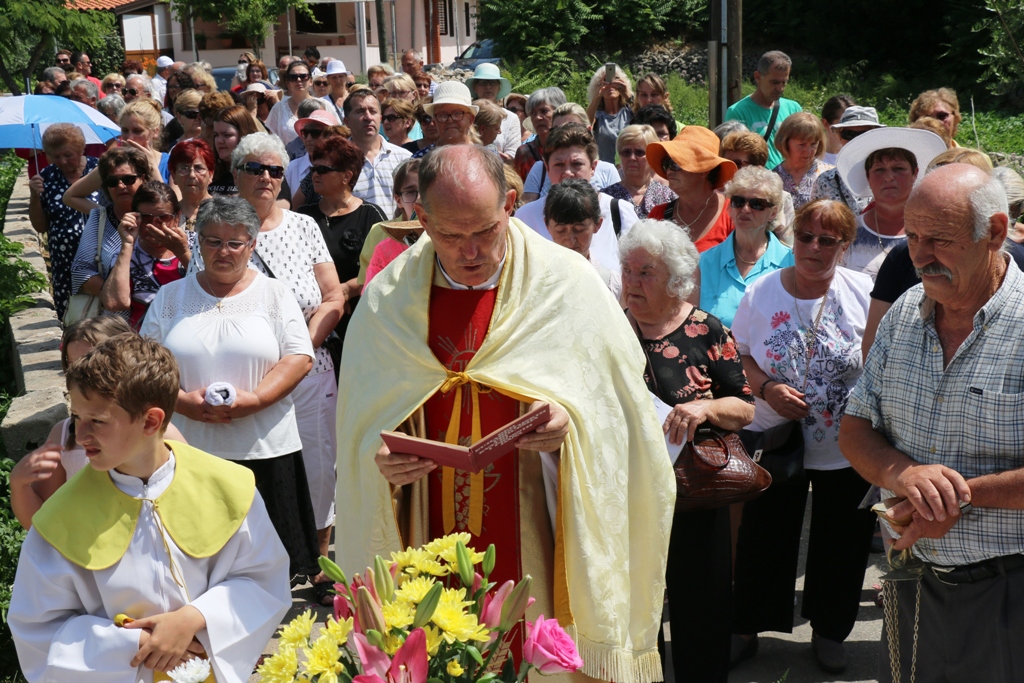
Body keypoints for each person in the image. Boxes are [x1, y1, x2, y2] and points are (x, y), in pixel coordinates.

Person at [336, 144, 673, 683]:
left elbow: (620, 416)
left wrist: (570, 426)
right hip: (425, 519)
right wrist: (381, 460)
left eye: (484, 231)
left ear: (511, 203)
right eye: (449, 235)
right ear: (420, 218)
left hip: (537, 516)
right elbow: (360, 422)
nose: (469, 251)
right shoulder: (388, 301)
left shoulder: (567, 286)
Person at [8, 332, 291, 682]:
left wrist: (196, 619)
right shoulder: (61, 516)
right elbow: (36, 628)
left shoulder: (227, 487)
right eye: (77, 417)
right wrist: (136, 643)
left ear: (151, 421)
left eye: (97, 421)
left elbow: (264, 579)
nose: (80, 436)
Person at [838, 164, 1024, 683]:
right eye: (913, 236)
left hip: (1008, 591)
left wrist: (955, 498)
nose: (919, 255)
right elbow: (854, 429)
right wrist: (904, 476)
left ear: (994, 231)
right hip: (907, 580)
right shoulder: (902, 315)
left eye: (939, 239)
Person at [141, 195, 322, 588]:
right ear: (198, 242)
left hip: (265, 447)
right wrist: (181, 402)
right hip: (188, 450)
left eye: (234, 242)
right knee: (197, 559)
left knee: (268, 565)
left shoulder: (275, 294)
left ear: (252, 245)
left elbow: (298, 357)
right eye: (212, 241)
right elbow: (145, 363)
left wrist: (254, 401)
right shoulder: (171, 298)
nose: (223, 251)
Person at [730, 199, 873, 673]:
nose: (812, 247)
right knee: (763, 535)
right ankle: (747, 626)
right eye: (805, 237)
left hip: (847, 445)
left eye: (827, 240)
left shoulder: (863, 292)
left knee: (843, 542)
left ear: (845, 245)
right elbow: (741, 358)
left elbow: (877, 361)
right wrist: (768, 387)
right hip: (776, 435)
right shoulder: (762, 292)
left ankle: (831, 632)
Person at [620, 218, 754, 683]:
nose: (631, 283)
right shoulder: (611, 330)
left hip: (694, 490)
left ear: (676, 281)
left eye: (645, 273)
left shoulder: (706, 330)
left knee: (702, 605)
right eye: (628, 270)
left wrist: (704, 408)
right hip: (629, 490)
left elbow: (745, 408)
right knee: (637, 607)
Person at [9, 318, 180, 528]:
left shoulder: (164, 437)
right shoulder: (63, 434)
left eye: (96, 360)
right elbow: (41, 522)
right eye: (74, 364)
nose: (84, 373)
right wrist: (19, 485)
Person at [298, 134, 387, 343]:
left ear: (346, 176)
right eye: (313, 169)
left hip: (360, 320)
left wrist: (348, 289)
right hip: (310, 318)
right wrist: (331, 295)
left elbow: (386, 267)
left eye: (323, 169)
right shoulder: (302, 216)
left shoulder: (371, 215)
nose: (314, 175)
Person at [515, 123, 639, 273]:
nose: (568, 172)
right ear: (547, 168)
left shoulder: (619, 212)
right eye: (559, 164)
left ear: (593, 167)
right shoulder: (525, 218)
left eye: (577, 164)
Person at [835, 127, 947, 279]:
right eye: (879, 170)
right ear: (868, 177)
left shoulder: (935, 230)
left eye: (898, 168)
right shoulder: (847, 232)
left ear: (915, 173)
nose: (889, 177)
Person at [690, 165, 792, 327]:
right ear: (730, 208)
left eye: (756, 204)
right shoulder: (704, 263)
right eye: (738, 201)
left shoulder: (790, 263)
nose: (745, 209)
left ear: (773, 213)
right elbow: (690, 322)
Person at [68, 147, 152, 321]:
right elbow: (79, 271)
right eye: (112, 182)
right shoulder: (99, 219)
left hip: (156, 319)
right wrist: (115, 294)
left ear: (142, 179)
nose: (121, 186)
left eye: (128, 179)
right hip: (114, 324)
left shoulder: (158, 218)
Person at [27, 124, 101, 321]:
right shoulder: (47, 177)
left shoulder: (100, 171)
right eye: (55, 156)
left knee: (101, 319)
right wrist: (35, 196)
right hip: (64, 265)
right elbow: (40, 227)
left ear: (81, 149)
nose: (62, 161)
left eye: (68, 154)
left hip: (99, 262)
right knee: (71, 320)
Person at [100, 181, 189, 329]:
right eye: (147, 218)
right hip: (145, 343)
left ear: (177, 217)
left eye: (163, 218)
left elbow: (215, 290)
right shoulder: (127, 253)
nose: (153, 225)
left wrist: (183, 252)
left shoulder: (196, 244)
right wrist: (127, 244)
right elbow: (114, 303)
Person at [647, 126, 738, 252]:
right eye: (667, 164)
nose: (668, 171)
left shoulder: (733, 215)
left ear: (704, 170)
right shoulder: (657, 215)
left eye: (676, 164)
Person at [521, 103, 621, 201]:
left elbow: (616, 208)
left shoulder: (607, 170)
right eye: (556, 129)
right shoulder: (539, 169)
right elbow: (527, 208)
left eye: (577, 164)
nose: (563, 133)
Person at [544, 178, 621, 297]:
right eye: (561, 230)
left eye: (579, 230)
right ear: (547, 225)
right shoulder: (535, 282)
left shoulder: (612, 285)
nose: (570, 240)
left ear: (597, 225)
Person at [725, 51, 802, 169]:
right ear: (757, 77)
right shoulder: (737, 111)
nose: (780, 88)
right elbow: (735, 158)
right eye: (774, 82)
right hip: (757, 182)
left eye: (784, 82)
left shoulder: (794, 108)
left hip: (789, 181)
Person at [343, 91, 412, 216]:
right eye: (360, 111)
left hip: (396, 234)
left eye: (373, 111)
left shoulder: (404, 159)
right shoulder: (337, 161)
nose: (368, 117)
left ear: (380, 118)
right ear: (346, 121)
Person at [810, 105, 886, 214]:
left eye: (864, 134)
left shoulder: (891, 177)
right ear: (839, 136)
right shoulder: (825, 181)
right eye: (849, 134)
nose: (856, 140)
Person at [360, 158, 422, 288]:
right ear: (398, 200)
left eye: (426, 190)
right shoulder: (379, 232)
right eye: (411, 192)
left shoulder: (449, 232)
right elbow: (367, 287)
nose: (419, 199)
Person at [602, 124, 677, 219]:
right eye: (626, 152)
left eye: (639, 152)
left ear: (652, 156)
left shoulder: (668, 197)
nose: (632, 158)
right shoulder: (606, 197)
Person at [772, 112, 832, 210]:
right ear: (785, 142)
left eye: (813, 144)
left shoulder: (830, 175)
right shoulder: (772, 178)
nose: (808, 151)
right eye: (801, 144)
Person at [465, 63, 520, 157]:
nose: (488, 87)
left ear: (499, 87)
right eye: (483, 82)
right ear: (475, 87)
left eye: (493, 82)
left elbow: (513, 154)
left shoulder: (511, 118)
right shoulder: (466, 114)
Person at [412, 81, 478, 158]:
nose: (450, 120)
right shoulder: (419, 161)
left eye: (457, 114)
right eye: (442, 115)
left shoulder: (487, 161)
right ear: (435, 121)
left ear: (471, 119)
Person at [513, 87, 567, 180]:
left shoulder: (571, 148)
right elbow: (518, 187)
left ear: (558, 113)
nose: (537, 117)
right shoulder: (524, 153)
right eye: (533, 113)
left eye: (544, 111)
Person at [586, 64, 633, 164]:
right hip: (606, 171)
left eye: (615, 79)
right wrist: (597, 96)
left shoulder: (630, 110)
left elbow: (645, 118)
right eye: (605, 81)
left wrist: (627, 95)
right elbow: (585, 125)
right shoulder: (597, 114)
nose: (610, 84)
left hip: (630, 167)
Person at [265, 60, 316, 146]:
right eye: (293, 77)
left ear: (310, 81)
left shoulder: (324, 105)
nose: (299, 80)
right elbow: (272, 141)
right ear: (288, 83)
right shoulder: (278, 109)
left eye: (303, 76)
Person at [167, 138, 214, 228]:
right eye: (184, 168)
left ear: (211, 174)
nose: (192, 175)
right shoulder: (167, 215)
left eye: (199, 168)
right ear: (173, 175)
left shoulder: (225, 213)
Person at [821, 94, 856, 165]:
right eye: (842, 124)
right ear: (825, 124)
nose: (850, 130)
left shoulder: (861, 156)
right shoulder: (811, 155)